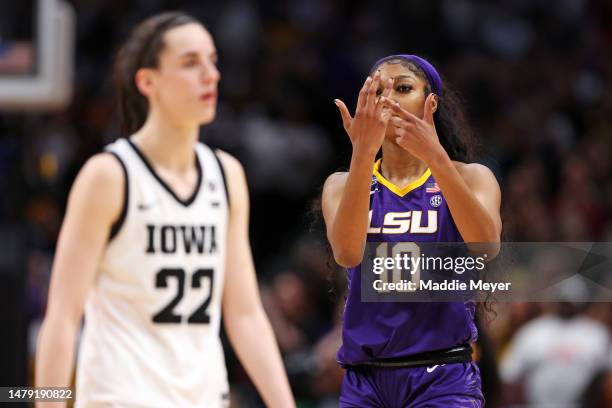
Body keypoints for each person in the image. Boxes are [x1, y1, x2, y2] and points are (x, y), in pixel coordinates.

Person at [35, 12, 295, 408]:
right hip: (120, 397)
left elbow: (244, 314)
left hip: (204, 397)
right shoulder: (109, 176)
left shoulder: (226, 175)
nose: (210, 75)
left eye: (212, 61)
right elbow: (62, 317)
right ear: (148, 81)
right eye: (190, 63)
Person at [322, 54, 502, 406]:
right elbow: (347, 253)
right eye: (377, 90)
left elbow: (486, 246)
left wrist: (435, 158)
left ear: (430, 102)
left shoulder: (472, 177)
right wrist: (362, 153)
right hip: (366, 380)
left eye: (403, 88)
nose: (387, 99)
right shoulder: (341, 185)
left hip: (443, 374)